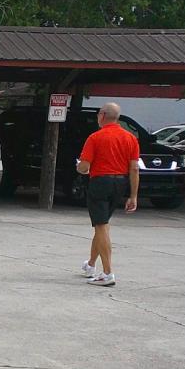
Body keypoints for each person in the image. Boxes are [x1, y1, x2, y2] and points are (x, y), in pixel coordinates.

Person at [76, 102, 139, 287]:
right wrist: (133, 195)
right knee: (102, 224)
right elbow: (134, 168)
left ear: (102, 115)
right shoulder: (130, 138)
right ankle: (91, 264)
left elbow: (85, 166)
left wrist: (79, 167)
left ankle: (108, 272)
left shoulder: (95, 137)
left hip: (100, 182)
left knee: (101, 225)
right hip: (121, 182)